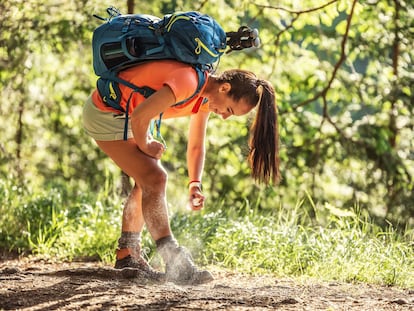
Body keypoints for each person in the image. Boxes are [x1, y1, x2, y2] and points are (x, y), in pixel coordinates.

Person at [83, 59, 280, 285]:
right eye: (229, 110)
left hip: (125, 117)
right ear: (225, 88)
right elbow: (140, 116)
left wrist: (194, 183)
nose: (224, 116)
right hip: (106, 113)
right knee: (155, 177)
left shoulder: (205, 96)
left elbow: (196, 145)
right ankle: (174, 259)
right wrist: (146, 145)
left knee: (147, 178)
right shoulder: (189, 81)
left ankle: (128, 254)